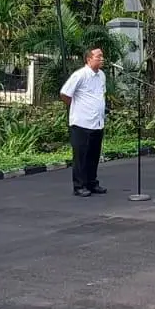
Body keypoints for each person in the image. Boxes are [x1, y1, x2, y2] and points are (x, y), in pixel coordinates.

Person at [59, 48, 108, 197]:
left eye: (102, 56)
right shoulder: (80, 75)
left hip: (97, 122)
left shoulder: (101, 75)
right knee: (81, 156)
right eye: (98, 56)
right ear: (89, 59)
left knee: (94, 154)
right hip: (81, 122)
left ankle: (92, 182)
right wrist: (77, 107)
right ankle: (79, 186)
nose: (102, 59)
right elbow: (65, 93)